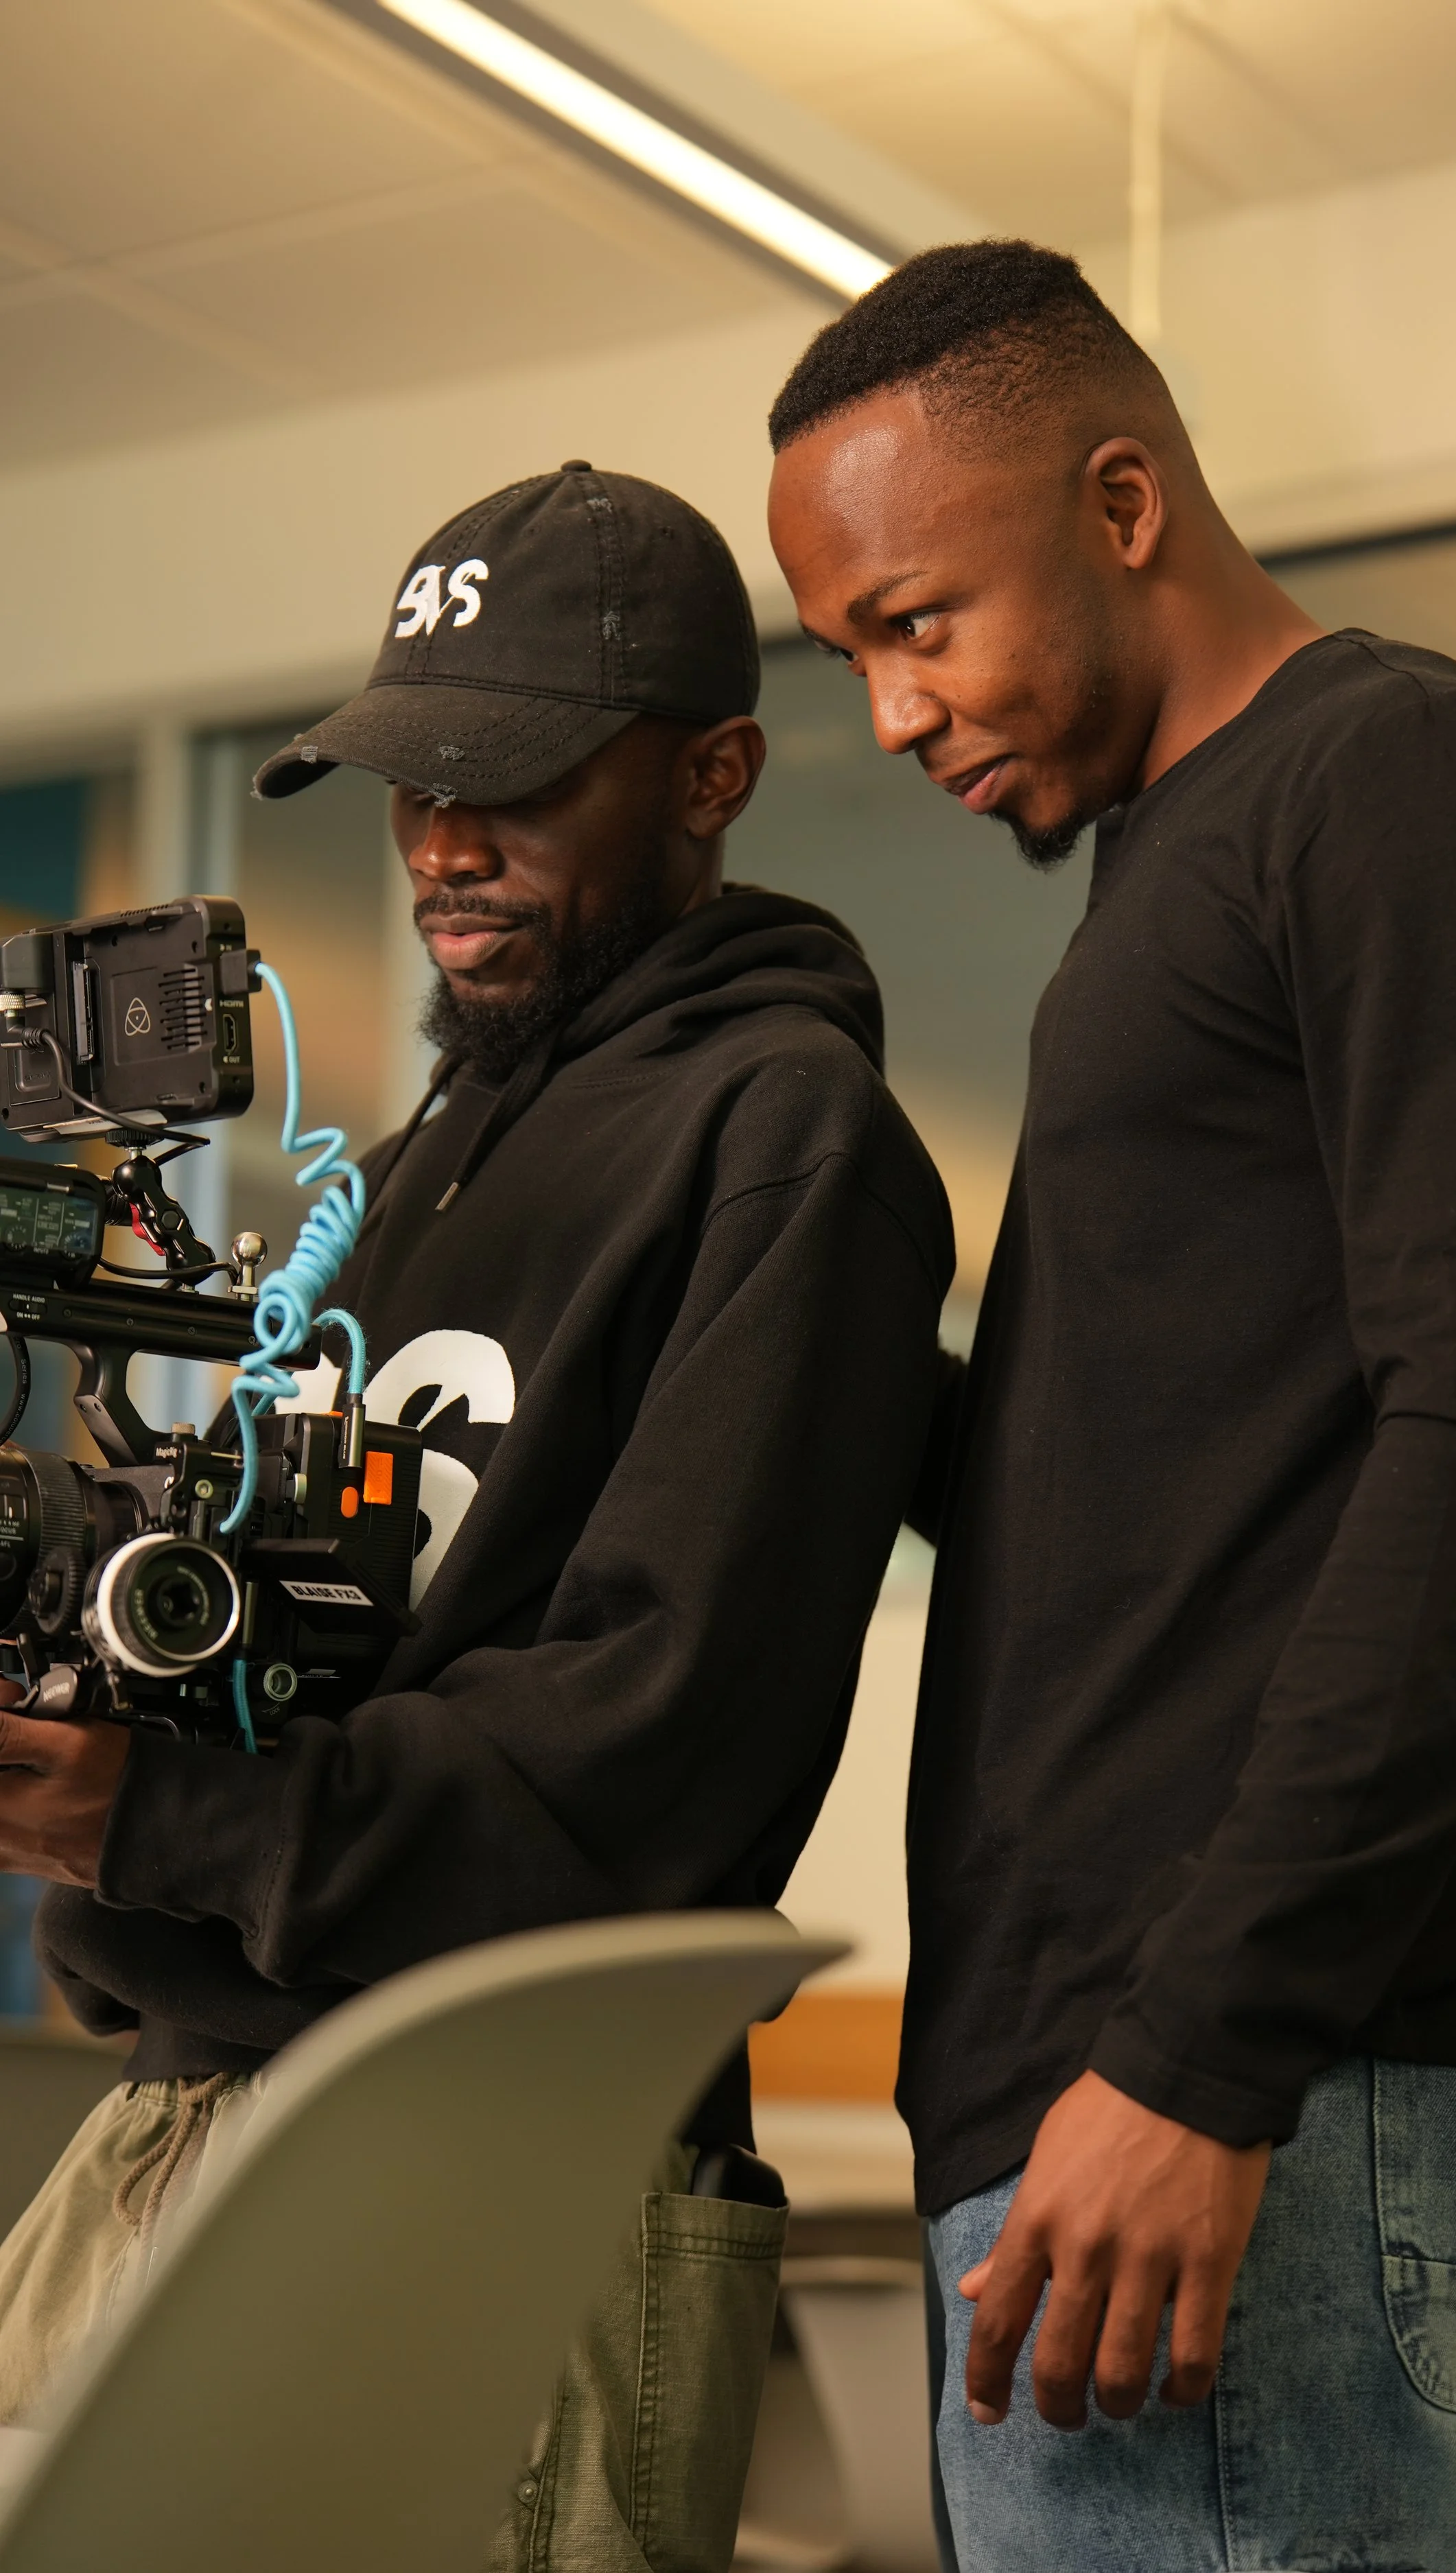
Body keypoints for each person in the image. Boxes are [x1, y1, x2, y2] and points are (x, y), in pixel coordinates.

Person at [766, 241, 1456, 2570]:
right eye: (854, 651)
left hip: (1259, 2089)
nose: (889, 712)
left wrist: (1197, 2049)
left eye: (916, 618)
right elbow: (1161, 1517)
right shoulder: (1164, 891)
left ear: (1125, 500)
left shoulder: (1397, 778)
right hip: (1138, 2082)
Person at [0, 461, 953, 2571]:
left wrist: (144, 1818)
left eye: (511, 781)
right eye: (408, 780)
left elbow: (652, 1762)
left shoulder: (787, 1141)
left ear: (712, 773)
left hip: (508, 2180)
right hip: (185, 2106)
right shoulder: (441, 1133)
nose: (439, 841)